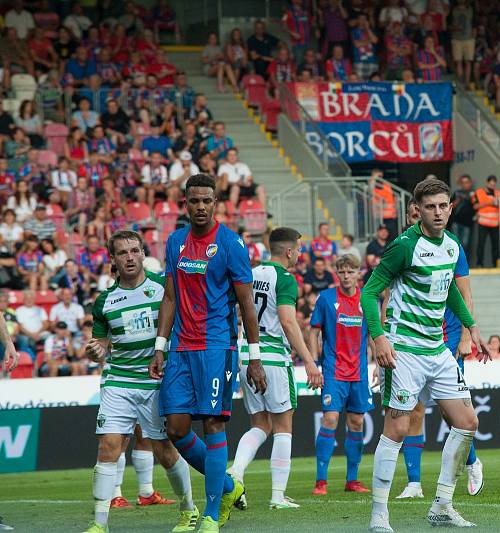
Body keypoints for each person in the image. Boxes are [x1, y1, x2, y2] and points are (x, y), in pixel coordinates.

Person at [361, 177, 490, 532]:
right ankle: (379, 515)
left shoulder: (451, 245)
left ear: (451, 208)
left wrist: (471, 326)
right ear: (418, 209)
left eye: (443, 206)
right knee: (398, 427)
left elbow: (447, 289)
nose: (437, 212)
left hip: (437, 349)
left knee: (467, 423)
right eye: (430, 206)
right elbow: (369, 294)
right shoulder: (404, 246)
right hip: (403, 351)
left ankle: (442, 506)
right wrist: (379, 338)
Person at [149, 174, 265, 532]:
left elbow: (247, 304)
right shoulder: (175, 242)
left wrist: (254, 357)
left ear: (216, 203)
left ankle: (212, 514)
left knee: (213, 423)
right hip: (181, 347)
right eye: (194, 201)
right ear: (185, 204)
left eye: (207, 201)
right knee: (177, 428)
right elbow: (169, 296)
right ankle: (229, 487)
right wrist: (160, 345)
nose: (200, 207)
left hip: (217, 345)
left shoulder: (230, 244)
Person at [82, 231, 197, 533]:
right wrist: (96, 350)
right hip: (118, 380)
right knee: (108, 447)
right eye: (122, 253)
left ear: (143, 253)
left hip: (156, 380)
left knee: (164, 450)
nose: (130, 257)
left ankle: (188, 507)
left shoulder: (163, 288)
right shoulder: (105, 301)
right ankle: (99, 523)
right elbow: (100, 344)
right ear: (114, 259)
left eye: (134, 250)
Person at [228, 227, 323, 509]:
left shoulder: (251, 274)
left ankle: (234, 473)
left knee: (260, 423)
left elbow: (240, 312)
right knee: (283, 425)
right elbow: (288, 321)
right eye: (299, 249)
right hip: (273, 358)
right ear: (289, 251)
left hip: (248, 356)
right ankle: (277, 496)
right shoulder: (284, 279)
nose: (300, 254)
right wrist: (308, 360)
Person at [395, 201, 484, 501]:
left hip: (447, 336)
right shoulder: (405, 248)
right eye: (412, 215)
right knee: (414, 409)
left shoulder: (451, 246)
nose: (416, 218)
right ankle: (414, 482)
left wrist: (465, 338)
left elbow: (464, 293)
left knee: (452, 412)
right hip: (414, 340)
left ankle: (471, 462)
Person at [310, 254, 372, 495]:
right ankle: (321, 481)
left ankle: (352, 480)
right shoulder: (326, 299)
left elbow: (374, 332)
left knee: (356, 422)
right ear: (337, 274)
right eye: (342, 272)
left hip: (359, 372)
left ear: (358, 273)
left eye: (351, 272)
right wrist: (314, 363)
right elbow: (314, 331)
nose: (346, 276)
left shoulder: (367, 299)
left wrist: (377, 363)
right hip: (333, 371)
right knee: (331, 419)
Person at [472, 175, 500, 268]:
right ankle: (480, 263)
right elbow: (475, 206)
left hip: (495, 223)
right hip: (483, 222)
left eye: (494, 184)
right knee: (481, 244)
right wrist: (490, 203)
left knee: (496, 246)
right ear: (487, 183)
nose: (492, 186)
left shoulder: (498, 193)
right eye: (491, 184)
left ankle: (496, 264)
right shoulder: (478, 192)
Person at [449, 175, 474, 255]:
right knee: (455, 244)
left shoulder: (473, 194)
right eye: (463, 182)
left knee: (465, 244)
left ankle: (463, 263)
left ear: (470, 183)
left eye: (467, 182)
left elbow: (476, 206)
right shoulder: (456, 193)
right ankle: (455, 264)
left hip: (467, 223)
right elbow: (450, 206)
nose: (465, 184)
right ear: (461, 184)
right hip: (456, 222)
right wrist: (458, 200)